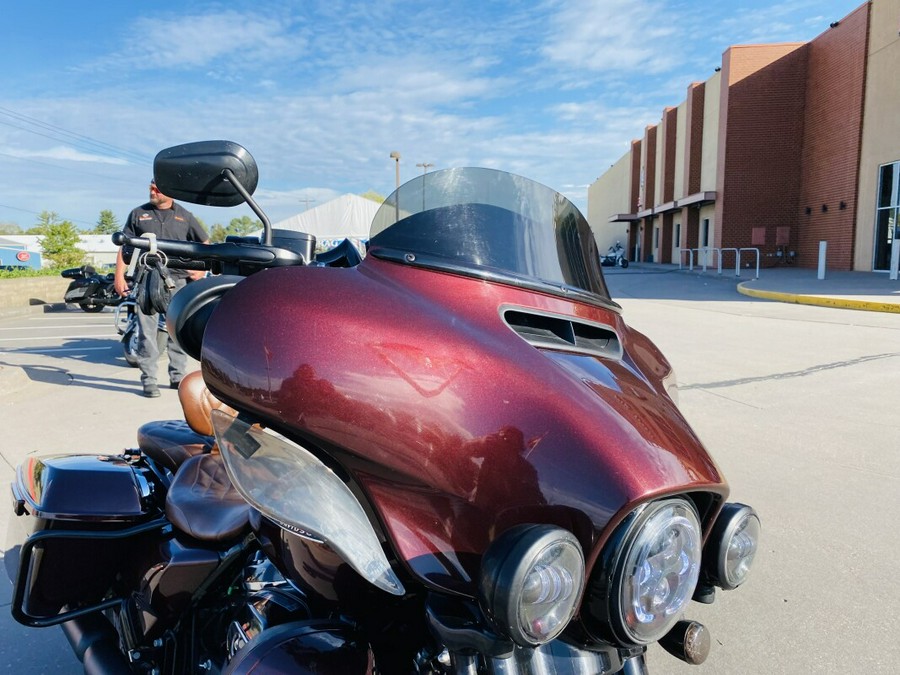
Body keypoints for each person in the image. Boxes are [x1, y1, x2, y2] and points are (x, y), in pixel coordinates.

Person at [114, 180, 209, 398]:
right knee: (147, 333)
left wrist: (201, 270)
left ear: (171, 191)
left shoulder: (184, 215)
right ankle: (148, 379)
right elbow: (125, 246)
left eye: (157, 188)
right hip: (146, 280)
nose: (152, 191)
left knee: (178, 331)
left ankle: (177, 377)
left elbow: (205, 243)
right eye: (151, 187)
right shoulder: (138, 214)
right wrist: (119, 276)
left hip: (177, 282)